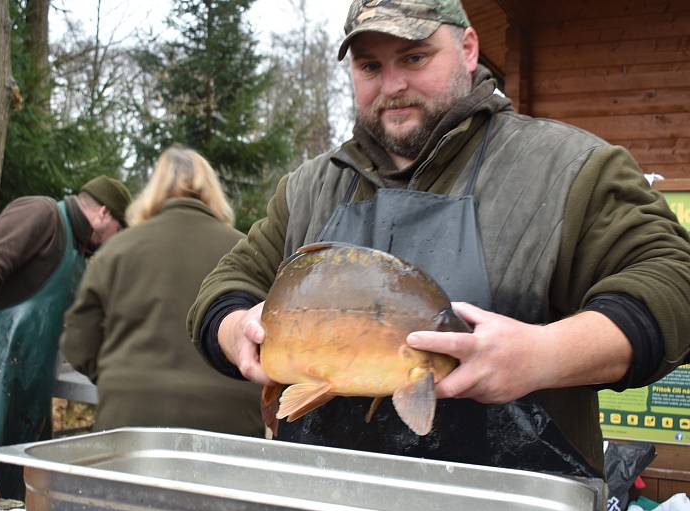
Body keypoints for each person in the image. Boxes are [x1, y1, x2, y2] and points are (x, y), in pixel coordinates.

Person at [188, 0, 690, 478]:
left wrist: (544, 353)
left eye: (414, 57)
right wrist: (236, 330)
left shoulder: (568, 168)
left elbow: (675, 278)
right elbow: (226, 288)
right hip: (326, 503)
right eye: (369, 67)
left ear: (468, 49)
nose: (393, 84)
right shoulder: (309, 189)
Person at [0, 175, 132, 498]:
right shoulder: (42, 215)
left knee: (9, 505)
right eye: (119, 229)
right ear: (103, 213)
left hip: (26, 398)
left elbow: (78, 338)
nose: (116, 240)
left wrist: (113, 380)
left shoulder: (78, 260)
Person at [60, 146, 263, 437]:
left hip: (129, 417)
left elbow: (78, 342)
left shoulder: (115, 251)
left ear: (153, 190)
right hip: (230, 424)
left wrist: (117, 377)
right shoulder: (246, 250)